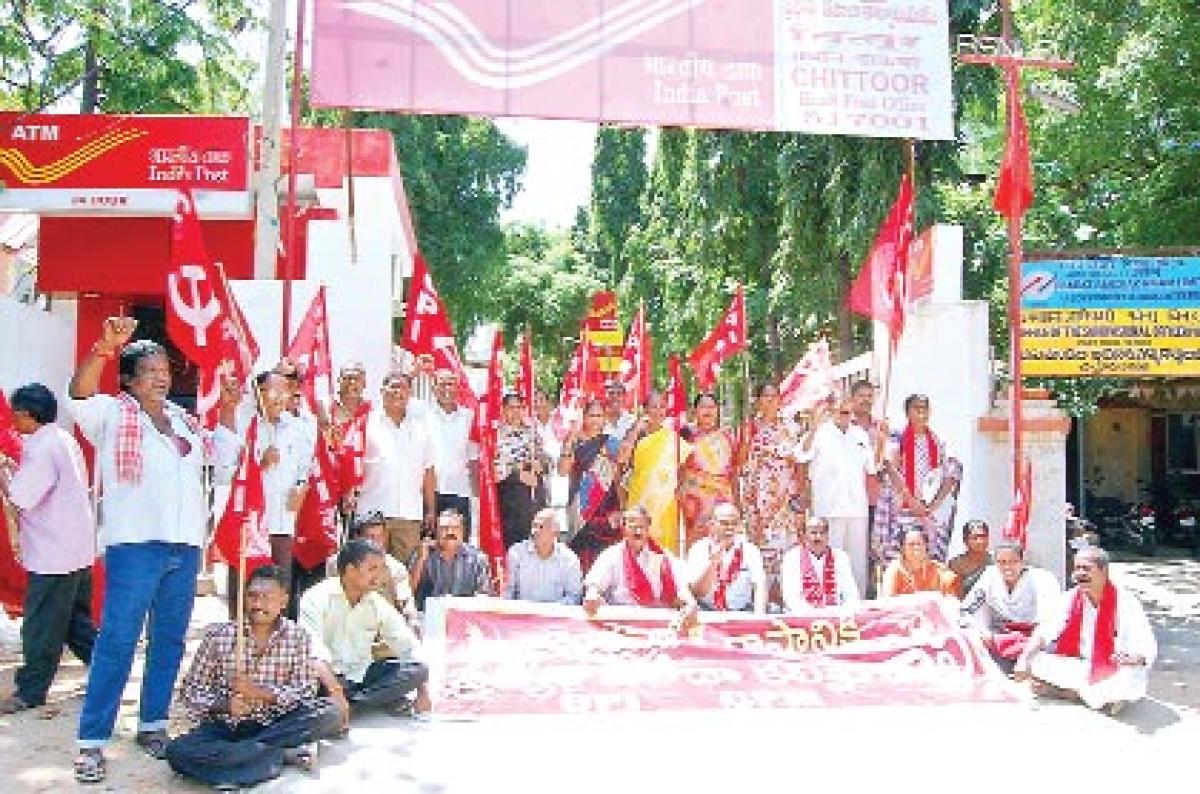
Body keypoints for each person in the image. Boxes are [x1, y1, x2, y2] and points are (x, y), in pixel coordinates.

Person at [65, 318, 241, 784]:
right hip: (135, 546)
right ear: (128, 378)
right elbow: (78, 395)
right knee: (117, 643)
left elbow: (222, 465)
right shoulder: (112, 413)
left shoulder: (185, 423)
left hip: (183, 548)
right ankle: (92, 743)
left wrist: (227, 411)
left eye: (164, 368)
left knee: (168, 641)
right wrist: (103, 348)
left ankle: (153, 724)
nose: (161, 376)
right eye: (149, 369)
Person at [165, 565, 343, 790]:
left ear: (283, 601)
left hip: (274, 724)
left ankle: (241, 762)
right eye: (252, 596)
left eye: (267, 598)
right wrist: (225, 705)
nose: (258, 604)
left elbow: (305, 691)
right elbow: (190, 692)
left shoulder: (298, 637)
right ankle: (279, 756)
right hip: (226, 727)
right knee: (177, 752)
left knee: (330, 713)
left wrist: (259, 693)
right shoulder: (219, 636)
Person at [0, 384, 97, 715]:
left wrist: (5, 478)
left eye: (15, 414)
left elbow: (23, 497)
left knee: (41, 625)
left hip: (54, 553)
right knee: (73, 621)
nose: (13, 420)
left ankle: (31, 690)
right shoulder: (63, 439)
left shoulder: (41, 448)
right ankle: (105, 668)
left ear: (28, 415)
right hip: (76, 547)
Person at [1015, 546, 1156, 715]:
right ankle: (1093, 697)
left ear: (1103, 570)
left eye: (1086, 568)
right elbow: (1045, 631)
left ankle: (1067, 694)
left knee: (1125, 681)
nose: (1080, 574)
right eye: (1077, 568)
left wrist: (1132, 659)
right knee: (1035, 661)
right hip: (1081, 664)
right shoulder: (1070, 598)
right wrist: (1023, 660)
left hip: (1115, 668)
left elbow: (1145, 646)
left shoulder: (1126, 602)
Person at [299, 539, 430, 718]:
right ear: (350, 570)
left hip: (361, 675)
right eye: (372, 569)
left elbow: (407, 645)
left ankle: (349, 707)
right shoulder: (316, 597)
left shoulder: (375, 602)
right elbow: (312, 653)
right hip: (327, 678)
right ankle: (367, 702)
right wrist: (335, 690)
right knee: (313, 682)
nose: (379, 576)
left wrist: (423, 693)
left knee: (418, 670)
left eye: (381, 569)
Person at [228, 370, 313, 620]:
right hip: (251, 522)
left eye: (284, 391)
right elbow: (230, 471)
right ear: (258, 393)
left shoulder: (297, 428)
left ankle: (276, 638)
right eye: (272, 390)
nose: (278, 397)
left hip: (282, 521)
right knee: (246, 583)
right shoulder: (245, 424)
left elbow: (303, 467)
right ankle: (241, 637)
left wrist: (301, 488)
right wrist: (260, 465)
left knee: (279, 581)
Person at [797, 397, 880, 598]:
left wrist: (882, 440)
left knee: (857, 563)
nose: (844, 414)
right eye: (840, 410)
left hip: (857, 509)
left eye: (847, 411)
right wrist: (813, 427)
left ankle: (856, 605)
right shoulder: (821, 433)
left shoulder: (859, 434)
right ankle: (829, 602)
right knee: (829, 560)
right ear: (832, 410)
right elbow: (801, 455)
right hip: (829, 509)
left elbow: (873, 467)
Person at [355, 372, 436, 566]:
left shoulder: (421, 429)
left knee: (404, 575)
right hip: (372, 513)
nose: (398, 392)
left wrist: (431, 510)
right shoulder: (365, 423)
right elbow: (352, 464)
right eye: (393, 386)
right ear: (382, 391)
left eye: (403, 388)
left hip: (408, 515)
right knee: (369, 570)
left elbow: (428, 472)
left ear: (410, 394)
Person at [873, 394, 962, 564]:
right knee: (898, 559)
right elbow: (891, 469)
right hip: (902, 508)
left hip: (930, 512)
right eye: (916, 408)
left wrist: (933, 505)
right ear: (907, 413)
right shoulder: (897, 438)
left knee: (930, 559)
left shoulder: (938, 440)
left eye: (924, 409)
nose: (921, 413)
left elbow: (952, 473)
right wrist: (911, 501)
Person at [740, 383, 805, 600]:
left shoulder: (791, 428)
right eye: (765, 396)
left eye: (774, 396)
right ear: (758, 400)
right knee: (761, 549)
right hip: (758, 499)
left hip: (785, 500)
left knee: (787, 550)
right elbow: (739, 461)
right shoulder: (748, 428)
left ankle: (788, 598)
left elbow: (800, 463)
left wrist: (801, 496)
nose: (771, 400)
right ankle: (761, 599)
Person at [960, 540, 1060, 671]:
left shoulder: (1043, 579)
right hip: (1001, 637)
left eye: (1013, 561)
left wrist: (1027, 656)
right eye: (1002, 562)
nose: (1008, 567)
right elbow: (967, 610)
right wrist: (982, 633)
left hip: (1036, 638)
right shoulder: (990, 575)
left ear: (1023, 561)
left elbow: (1050, 621)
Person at [561, 399, 632, 571]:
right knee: (579, 553)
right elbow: (563, 470)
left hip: (606, 504)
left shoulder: (611, 442)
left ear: (605, 419)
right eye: (591, 415)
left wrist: (622, 507)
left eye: (599, 416)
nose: (595, 420)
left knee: (604, 555)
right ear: (583, 417)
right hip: (580, 505)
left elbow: (620, 472)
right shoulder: (574, 442)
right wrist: (570, 438)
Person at [583, 506, 696, 615]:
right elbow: (594, 585)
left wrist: (690, 603)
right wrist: (592, 595)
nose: (638, 531)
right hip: (621, 618)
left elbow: (682, 586)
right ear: (624, 528)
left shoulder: (661, 555)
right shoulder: (612, 555)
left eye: (642, 527)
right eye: (633, 527)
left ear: (648, 529)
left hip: (656, 619)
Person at [624, 390, 691, 554]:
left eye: (662, 407)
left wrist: (681, 486)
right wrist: (635, 431)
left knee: (663, 549)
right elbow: (622, 459)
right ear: (645, 409)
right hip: (640, 496)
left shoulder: (673, 436)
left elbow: (684, 466)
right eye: (654, 406)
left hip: (665, 500)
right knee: (639, 544)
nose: (659, 411)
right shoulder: (635, 433)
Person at [679, 392, 738, 549]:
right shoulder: (686, 435)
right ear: (695, 411)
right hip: (695, 501)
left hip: (722, 499)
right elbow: (678, 466)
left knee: (723, 542)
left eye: (712, 407)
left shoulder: (727, 436)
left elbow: (733, 471)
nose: (708, 410)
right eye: (703, 406)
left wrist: (737, 501)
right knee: (697, 545)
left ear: (717, 410)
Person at [426, 369, 479, 542]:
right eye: (442, 384)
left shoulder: (469, 417)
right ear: (433, 388)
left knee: (460, 548)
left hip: (460, 492)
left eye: (451, 384)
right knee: (430, 547)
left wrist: (478, 495)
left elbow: (473, 458)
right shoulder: (422, 415)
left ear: (458, 388)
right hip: (430, 493)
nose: (447, 388)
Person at [687, 502, 766, 613]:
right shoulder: (699, 549)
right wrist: (713, 564)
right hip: (705, 611)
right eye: (724, 523)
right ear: (711, 525)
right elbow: (697, 592)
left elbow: (759, 586)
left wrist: (758, 618)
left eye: (734, 524)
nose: (730, 528)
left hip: (741, 612)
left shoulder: (750, 550)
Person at [407, 509, 493, 611]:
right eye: (444, 528)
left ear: (462, 531)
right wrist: (421, 560)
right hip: (427, 617)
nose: (450, 532)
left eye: (455, 528)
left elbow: (484, 596)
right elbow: (407, 592)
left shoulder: (477, 558)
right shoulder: (422, 554)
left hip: (464, 617)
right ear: (436, 531)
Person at [495, 391, 549, 550]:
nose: (515, 412)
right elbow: (495, 468)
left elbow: (546, 461)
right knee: (514, 547)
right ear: (503, 410)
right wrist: (518, 474)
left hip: (534, 496)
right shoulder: (497, 435)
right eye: (511, 407)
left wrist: (541, 464)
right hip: (511, 499)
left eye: (519, 407)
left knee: (537, 543)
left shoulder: (532, 432)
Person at [349, 512, 418, 630]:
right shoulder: (338, 565)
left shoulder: (396, 569)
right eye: (370, 537)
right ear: (357, 538)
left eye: (379, 536)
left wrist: (412, 622)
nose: (375, 542)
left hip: (383, 631)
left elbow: (406, 603)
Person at [504, 508, 584, 604]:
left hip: (555, 615)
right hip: (522, 615)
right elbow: (508, 591)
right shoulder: (516, 553)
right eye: (534, 526)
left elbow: (574, 596)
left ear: (555, 532)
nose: (534, 531)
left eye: (541, 527)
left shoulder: (570, 560)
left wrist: (549, 610)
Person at [780, 516, 860, 611]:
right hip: (802, 616)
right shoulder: (792, 557)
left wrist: (841, 612)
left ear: (828, 536)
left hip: (835, 616)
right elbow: (791, 597)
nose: (818, 537)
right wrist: (813, 614)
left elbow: (851, 594)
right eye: (813, 533)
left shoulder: (840, 557)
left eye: (822, 533)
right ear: (804, 536)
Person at [879, 527, 959, 598]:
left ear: (925, 546)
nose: (916, 548)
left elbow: (951, 600)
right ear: (902, 548)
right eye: (911, 544)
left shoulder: (939, 570)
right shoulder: (895, 569)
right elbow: (888, 600)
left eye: (919, 544)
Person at [848, 380, 883, 529]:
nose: (866, 400)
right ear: (852, 399)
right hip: (848, 499)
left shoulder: (881, 427)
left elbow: (884, 463)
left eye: (869, 396)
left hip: (873, 498)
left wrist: (883, 441)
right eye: (861, 396)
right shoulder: (843, 426)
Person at [949, 520, 993, 599]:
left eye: (983, 536)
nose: (980, 541)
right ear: (965, 540)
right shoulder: (957, 564)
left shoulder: (995, 561)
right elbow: (955, 595)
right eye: (974, 538)